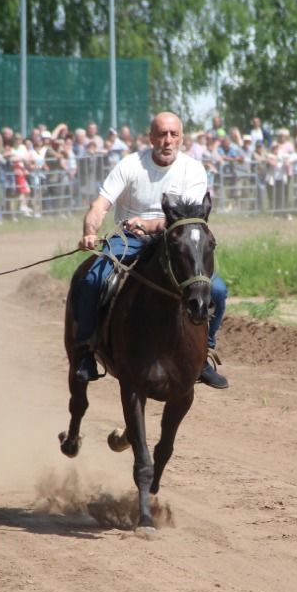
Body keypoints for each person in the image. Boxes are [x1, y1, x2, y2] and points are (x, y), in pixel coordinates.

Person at [71, 111, 229, 389]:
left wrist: (149, 222)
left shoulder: (192, 169)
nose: (167, 141)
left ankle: (204, 354)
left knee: (216, 289)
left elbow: (189, 220)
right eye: (161, 134)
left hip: (175, 242)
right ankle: (86, 351)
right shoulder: (131, 165)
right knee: (91, 279)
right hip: (127, 239)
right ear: (150, 137)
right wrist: (90, 232)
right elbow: (100, 205)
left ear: (181, 138)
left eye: (173, 134)